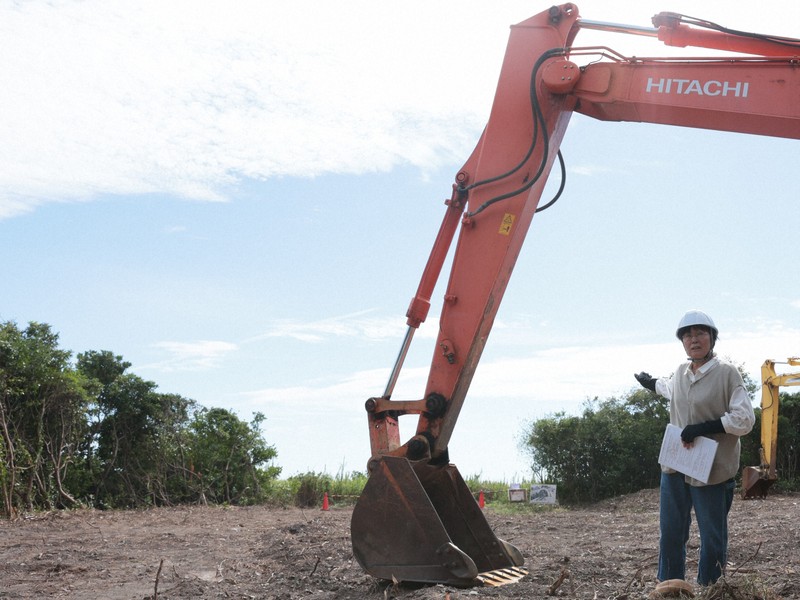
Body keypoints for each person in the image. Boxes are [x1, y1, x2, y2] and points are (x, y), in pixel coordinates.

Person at [634, 310, 755, 586]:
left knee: (712, 536)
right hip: (676, 465)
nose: (694, 339)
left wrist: (704, 427)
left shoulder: (727, 374)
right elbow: (670, 388)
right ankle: (670, 587)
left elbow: (745, 419)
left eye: (700, 332)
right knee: (671, 532)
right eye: (687, 335)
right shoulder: (681, 372)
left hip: (711, 469)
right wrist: (650, 383)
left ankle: (709, 588)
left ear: (712, 338)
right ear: (683, 342)